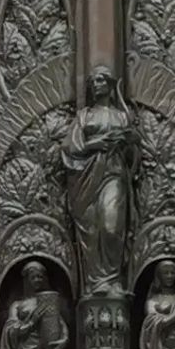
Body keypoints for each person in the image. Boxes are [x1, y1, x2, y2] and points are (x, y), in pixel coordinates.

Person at [62, 66, 135, 298]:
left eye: (101, 80)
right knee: (92, 228)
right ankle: (95, 283)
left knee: (111, 226)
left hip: (113, 172)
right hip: (86, 177)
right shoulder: (84, 116)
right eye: (93, 81)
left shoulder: (122, 115)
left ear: (111, 85)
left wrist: (128, 141)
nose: (96, 85)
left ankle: (112, 279)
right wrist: (94, 144)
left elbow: (135, 153)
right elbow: (69, 147)